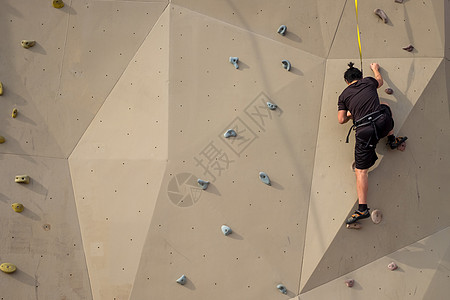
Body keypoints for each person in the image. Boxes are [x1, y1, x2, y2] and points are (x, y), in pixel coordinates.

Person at [338, 62, 407, 224]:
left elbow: (341, 120)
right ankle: (392, 140)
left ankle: (362, 209)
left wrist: (350, 113)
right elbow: (380, 81)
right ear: (360, 77)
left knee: (361, 171)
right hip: (382, 123)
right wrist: (375, 69)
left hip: (365, 132)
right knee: (386, 106)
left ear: (347, 82)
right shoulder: (368, 81)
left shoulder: (343, 96)